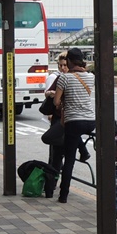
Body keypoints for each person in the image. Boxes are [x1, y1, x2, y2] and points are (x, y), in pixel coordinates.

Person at [52, 48, 96, 204]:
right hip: (91, 121)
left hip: (73, 121)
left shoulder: (65, 78)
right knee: (75, 134)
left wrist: (63, 101)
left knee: (69, 159)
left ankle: (63, 195)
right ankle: (84, 152)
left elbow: (56, 102)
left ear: (69, 61)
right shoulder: (91, 77)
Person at [40, 52, 69, 198]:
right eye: (61, 65)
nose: (63, 68)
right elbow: (49, 94)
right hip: (59, 120)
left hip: (66, 121)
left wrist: (54, 95)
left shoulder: (71, 78)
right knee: (56, 155)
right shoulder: (58, 78)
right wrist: (52, 94)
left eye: (65, 65)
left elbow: (56, 100)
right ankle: (51, 187)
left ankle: (56, 189)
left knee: (60, 156)